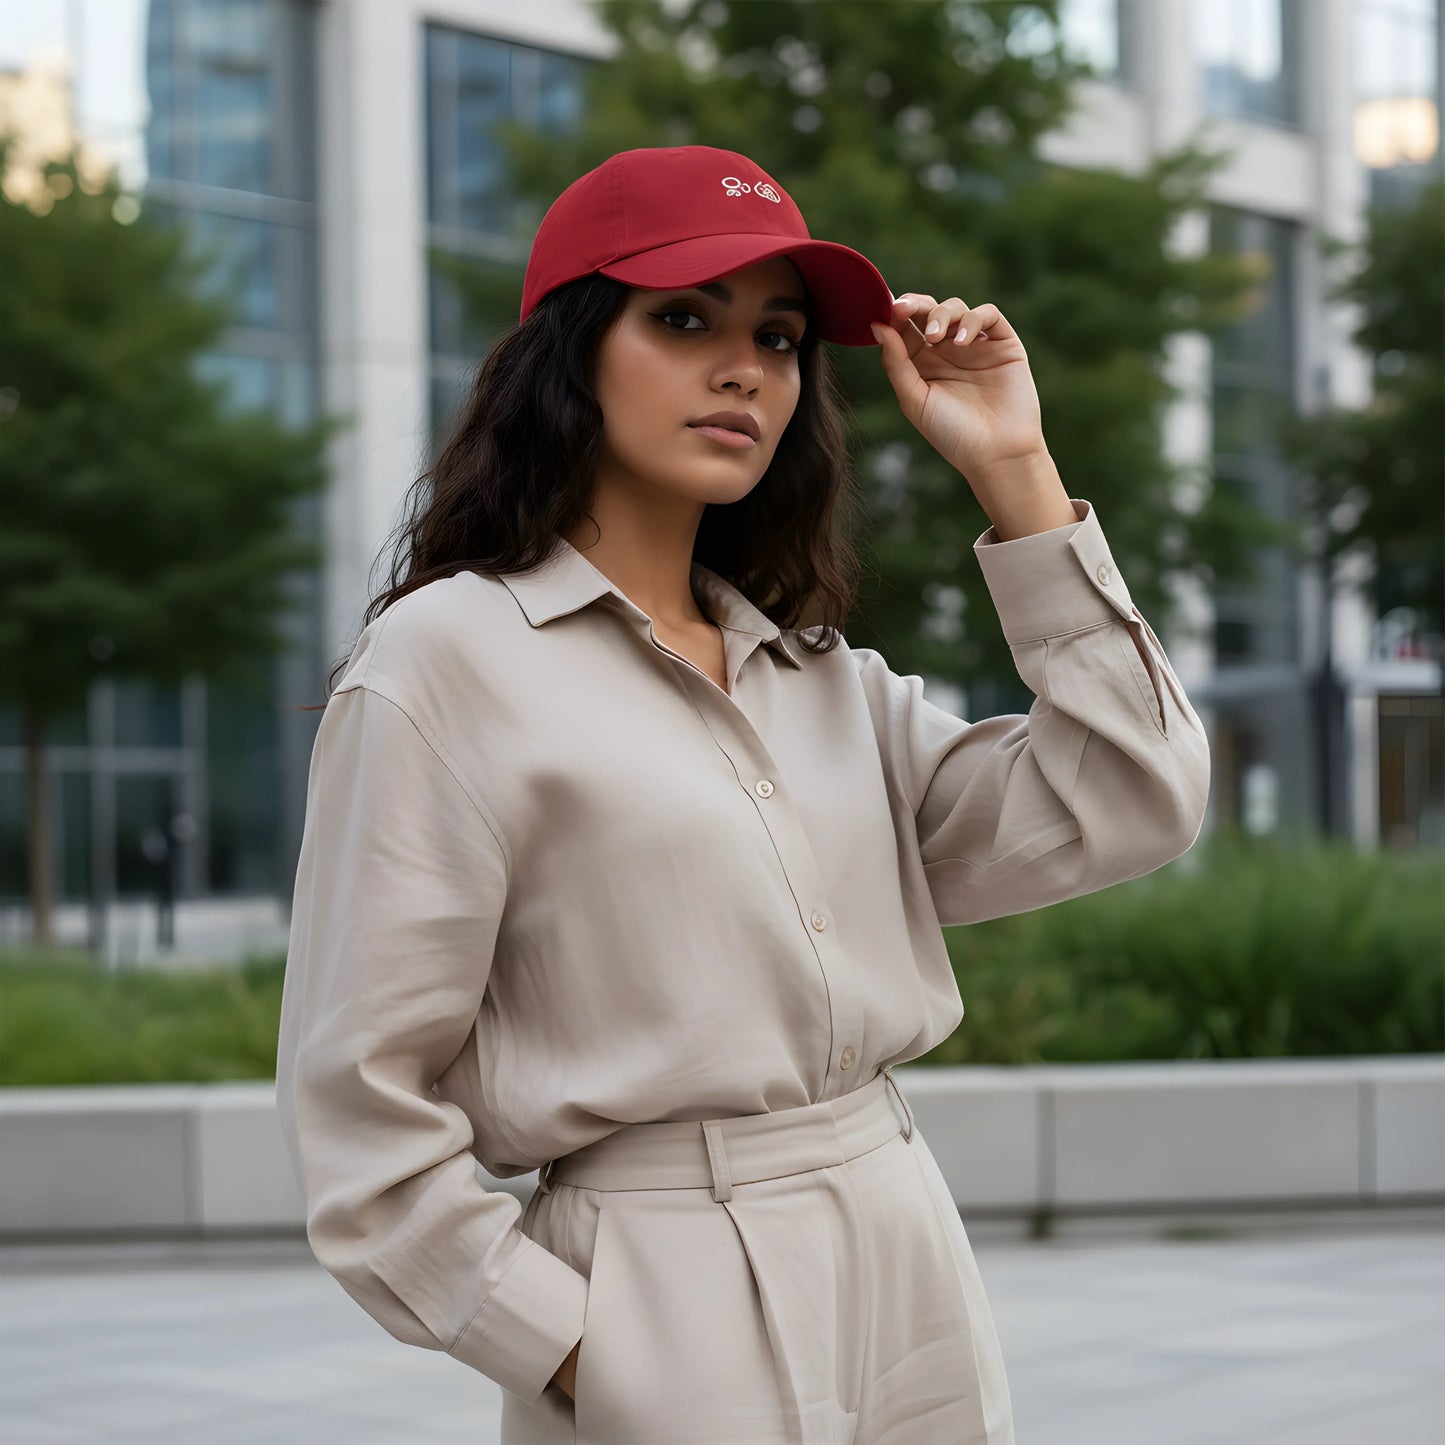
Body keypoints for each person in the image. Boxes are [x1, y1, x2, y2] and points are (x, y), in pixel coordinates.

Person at [274, 144, 1210, 1445]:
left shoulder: (824, 684)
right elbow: (356, 1108)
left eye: (776, 336)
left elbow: (1132, 793)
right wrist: (574, 1343)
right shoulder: (448, 664)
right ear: (572, 351)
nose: (743, 368)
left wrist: (1016, 473)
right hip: (660, 1279)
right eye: (682, 318)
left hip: (900, 1241)